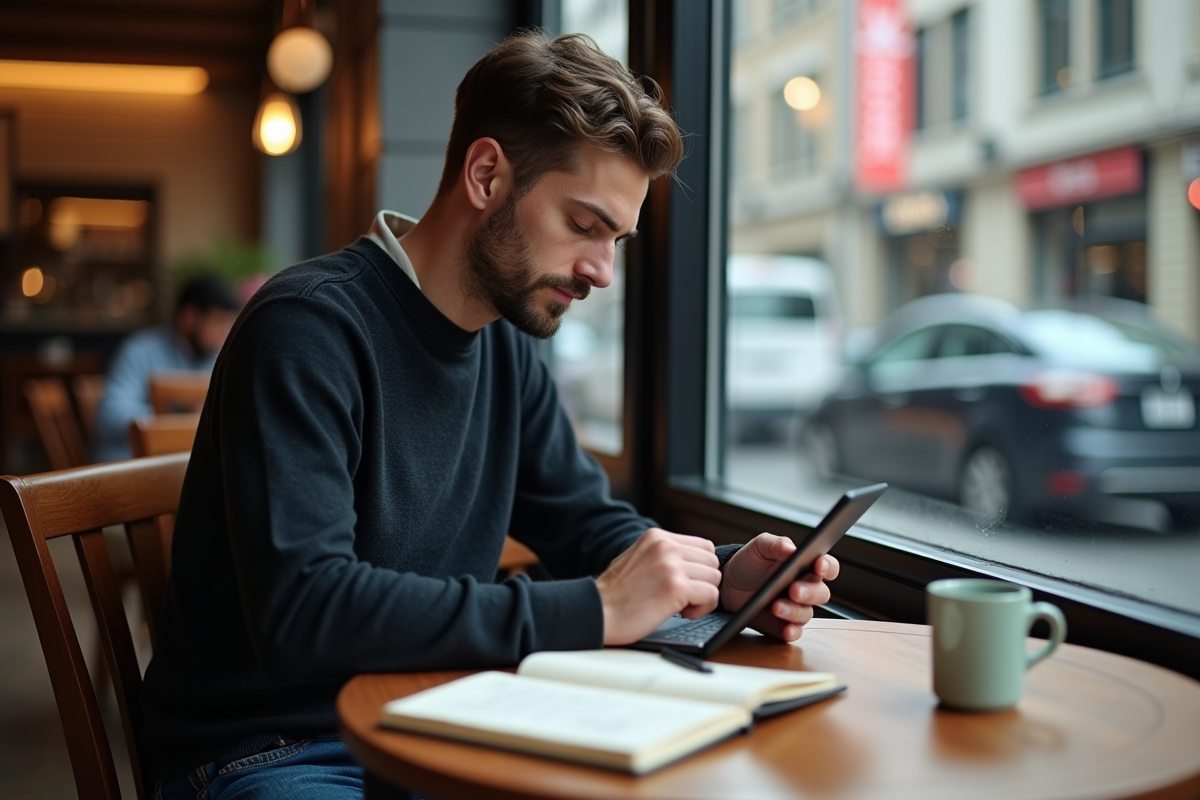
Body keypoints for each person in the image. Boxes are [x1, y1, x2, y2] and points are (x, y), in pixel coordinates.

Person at [142, 31, 841, 799]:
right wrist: (598, 607)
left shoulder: (506, 349)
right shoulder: (308, 328)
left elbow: (585, 525)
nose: (602, 272)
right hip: (273, 751)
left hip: (437, 719)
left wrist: (715, 577)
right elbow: (306, 609)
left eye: (617, 240)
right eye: (583, 225)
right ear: (485, 175)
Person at [92, 275, 239, 462]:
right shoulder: (140, 351)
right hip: (132, 468)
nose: (225, 332)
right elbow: (109, 415)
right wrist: (176, 414)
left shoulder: (220, 358)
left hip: (181, 467)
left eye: (229, 323)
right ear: (189, 317)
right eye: (218, 321)